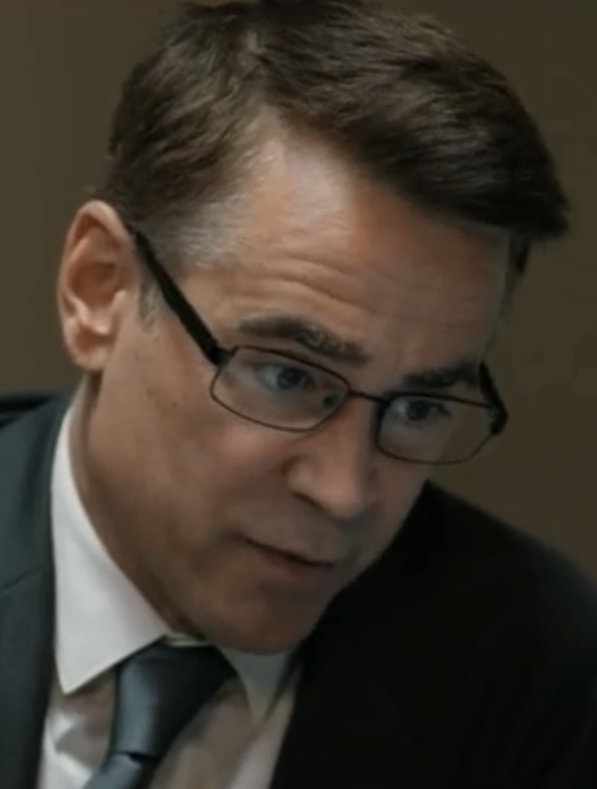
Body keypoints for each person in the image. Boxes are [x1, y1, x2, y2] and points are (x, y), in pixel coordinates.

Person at [0, 0, 595, 787]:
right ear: (99, 288)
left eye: (418, 408)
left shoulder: (536, 672)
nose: (345, 493)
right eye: (288, 376)